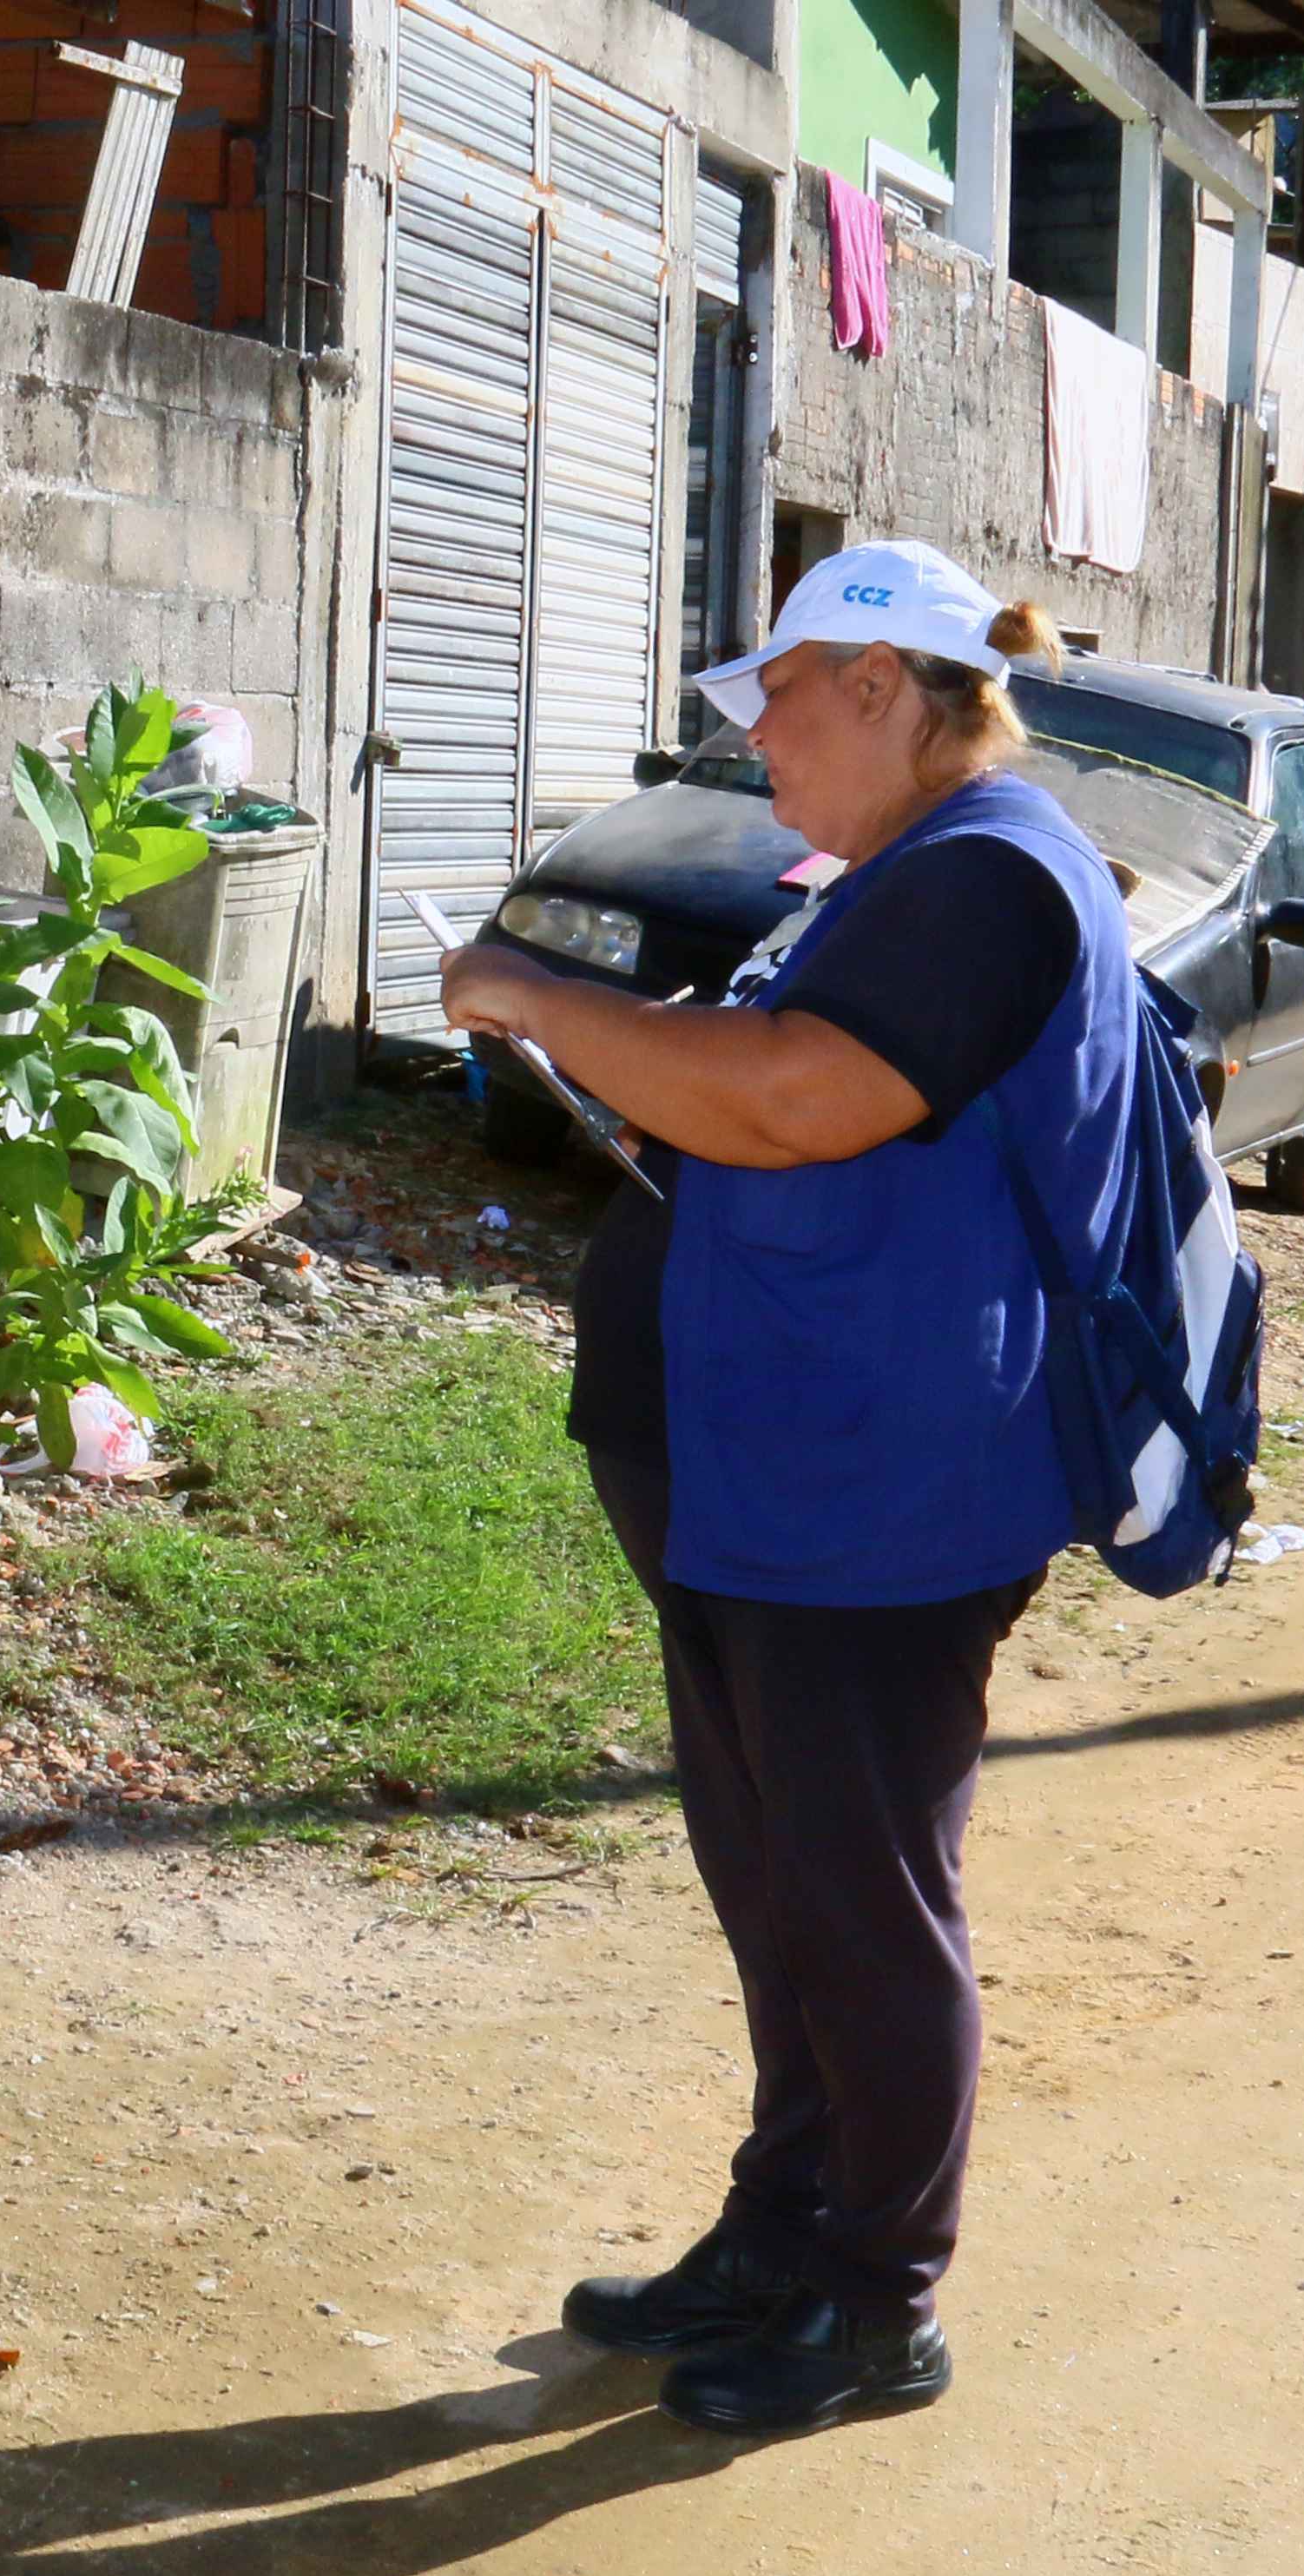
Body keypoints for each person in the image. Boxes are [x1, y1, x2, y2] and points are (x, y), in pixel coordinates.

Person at [438, 539, 1135, 2438]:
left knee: (859, 1895)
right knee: (782, 1888)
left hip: (871, 1485)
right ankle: (784, 2228)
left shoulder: (983, 873)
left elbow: (788, 1099)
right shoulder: (904, 869)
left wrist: (528, 989)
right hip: (771, 1465)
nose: (752, 732)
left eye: (776, 693)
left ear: (883, 689)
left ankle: (875, 2294)